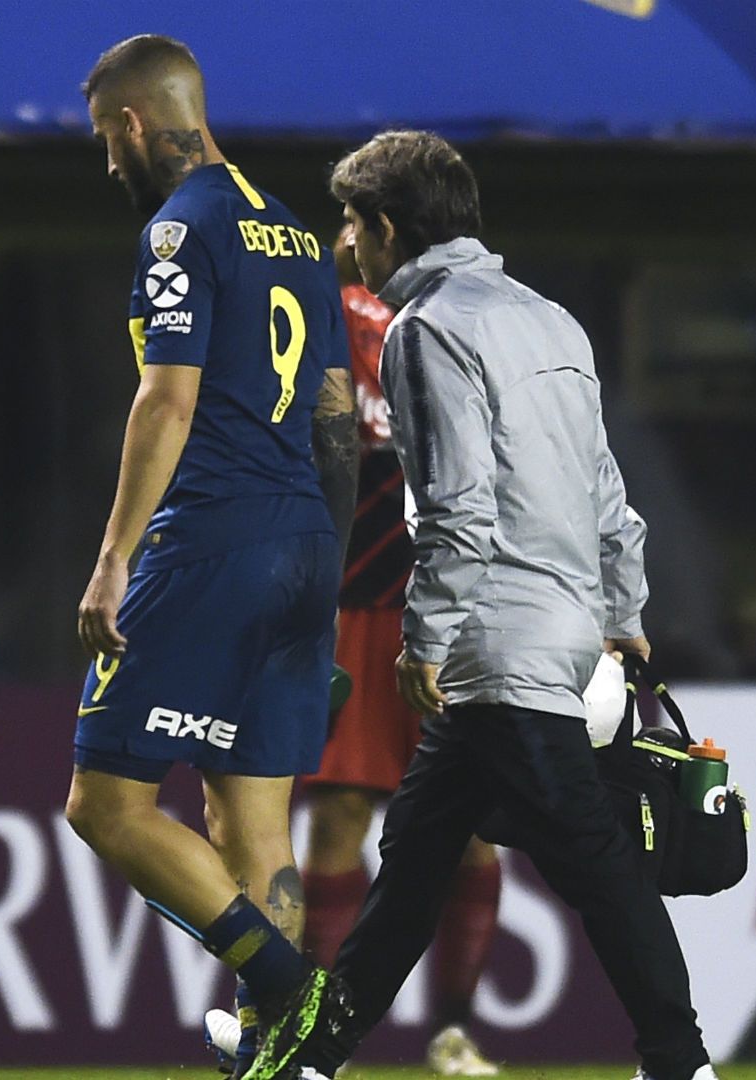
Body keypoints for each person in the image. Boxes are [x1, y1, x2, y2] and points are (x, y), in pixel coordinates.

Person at [250, 131, 717, 1080]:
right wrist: (623, 615)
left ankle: (681, 1060)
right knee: (417, 855)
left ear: (386, 228)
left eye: (351, 222)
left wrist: (427, 639)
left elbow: (456, 506)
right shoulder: (553, 321)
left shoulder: (426, 330)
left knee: (592, 860)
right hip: (565, 629)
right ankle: (312, 1059)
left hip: (495, 642)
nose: (343, 242)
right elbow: (609, 497)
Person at [62, 35, 359, 1080]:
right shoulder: (292, 235)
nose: (107, 162)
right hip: (306, 542)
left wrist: (112, 560)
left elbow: (167, 398)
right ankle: (286, 1053)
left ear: (137, 123)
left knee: (104, 804)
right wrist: (326, 577)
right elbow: (336, 415)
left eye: (107, 137)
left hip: (209, 541)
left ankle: (286, 991)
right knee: (251, 818)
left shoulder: (179, 231)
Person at [232, 225, 504, 1077]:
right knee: (343, 813)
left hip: (442, 600)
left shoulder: (459, 328)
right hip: (349, 601)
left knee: (471, 828)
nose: (351, 240)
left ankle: (454, 1032)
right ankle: (322, 1031)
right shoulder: (326, 319)